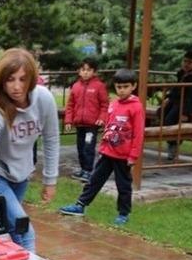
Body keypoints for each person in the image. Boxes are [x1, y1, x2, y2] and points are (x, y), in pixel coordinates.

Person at [0, 48, 60, 252]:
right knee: (24, 228)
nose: (17, 87)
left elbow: (52, 139)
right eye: (11, 79)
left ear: (31, 80)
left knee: (8, 230)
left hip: (21, 174)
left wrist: (50, 180)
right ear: (2, 80)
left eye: (22, 79)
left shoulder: (43, 99)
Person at [60, 69, 144, 226]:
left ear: (133, 86)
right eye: (119, 87)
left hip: (123, 156)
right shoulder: (114, 104)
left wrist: (133, 155)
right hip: (107, 152)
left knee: (123, 185)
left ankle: (123, 213)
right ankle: (80, 205)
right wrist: (103, 147)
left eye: (125, 86)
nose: (122, 90)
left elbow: (138, 134)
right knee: (94, 180)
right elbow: (109, 127)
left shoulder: (136, 107)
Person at [64, 57, 109, 182]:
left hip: (91, 125)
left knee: (88, 147)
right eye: (83, 70)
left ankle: (88, 171)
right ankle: (83, 169)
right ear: (79, 71)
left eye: (89, 70)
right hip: (79, 124)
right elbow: (70, 105)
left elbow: (104, 104)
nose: (85, 72)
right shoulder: (76, 86)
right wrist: (68, 121)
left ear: (94, 71)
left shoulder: (99, 86)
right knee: (80, 147)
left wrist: (101, 118)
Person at [162, 50, 192, 160]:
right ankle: (171, 141)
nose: (186, 64)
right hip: (178, 100)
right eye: (184, 61)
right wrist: (168, 98)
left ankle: (173, 144)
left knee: (170, 120)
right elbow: (177, 89)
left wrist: (185, 112)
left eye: (190, 62)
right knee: (162, 113)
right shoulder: (183, 73)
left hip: (189, 104)